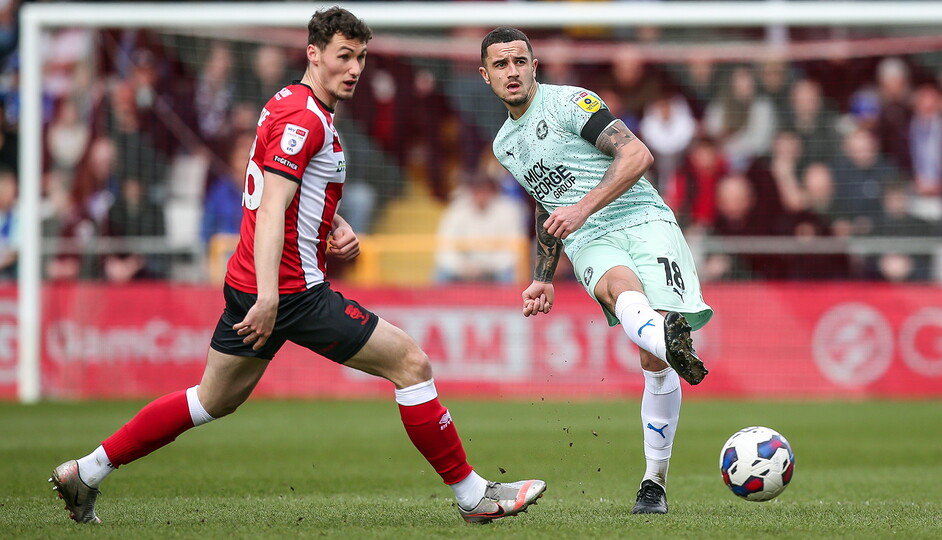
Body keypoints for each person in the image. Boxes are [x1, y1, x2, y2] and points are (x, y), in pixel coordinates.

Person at [49, 9, 545, 526]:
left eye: (361, 58)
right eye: (343, 56)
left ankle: (86, 471)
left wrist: (333, 222)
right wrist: (270, 297)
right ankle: (473, 495)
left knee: (211, 399)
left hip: (250, 280)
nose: (354, 69)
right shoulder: (305, 119)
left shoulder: (288, 102)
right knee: (411, 365)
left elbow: (287, 189)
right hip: (289, 290)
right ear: (314, 54)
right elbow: (270, 210)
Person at [478, 27, 712, 515]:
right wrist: (543, 274)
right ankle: (664, 338)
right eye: (501, 65)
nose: (512, 71)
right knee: (620, 293)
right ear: (486, 76)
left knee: (654, 360)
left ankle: (655, 478)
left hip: (642, 217)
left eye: (520, 61)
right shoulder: (504, 145)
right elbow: (547, 203)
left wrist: (582, 208)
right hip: (587, 239)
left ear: (535, 66)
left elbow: (637, 155)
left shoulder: (571, 103)